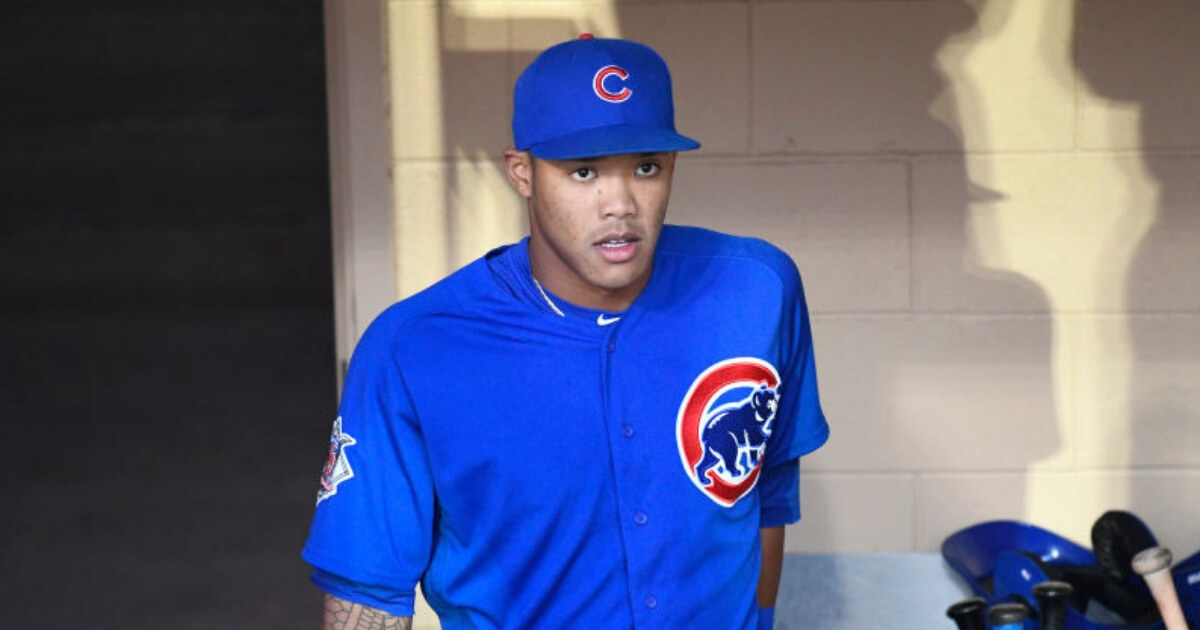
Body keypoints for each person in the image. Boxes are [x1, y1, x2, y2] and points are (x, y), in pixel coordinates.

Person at [302, 35, 829, 630]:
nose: (620, 204)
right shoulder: (414, 348)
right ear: (521, 173)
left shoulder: (757, 290)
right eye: (583, 172)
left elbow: (769, 490)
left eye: (646, 167)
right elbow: (367, 593)